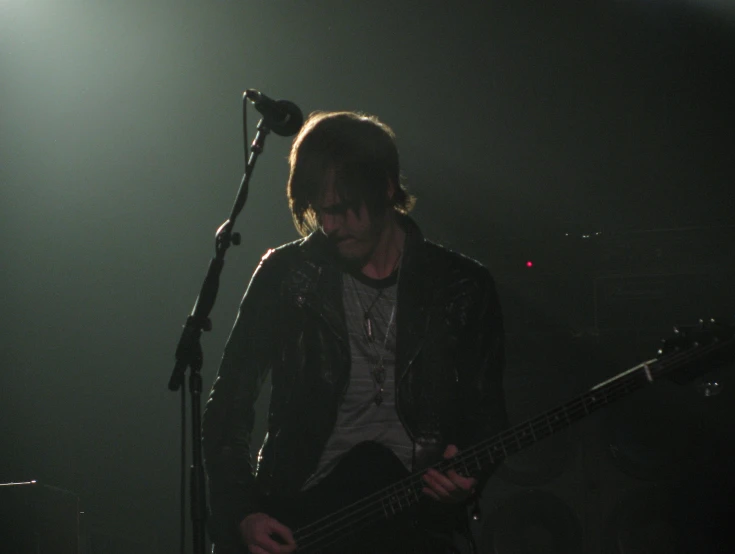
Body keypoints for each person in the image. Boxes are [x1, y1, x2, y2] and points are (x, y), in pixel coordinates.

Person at [202, 111, 508, 554]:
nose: (330, 226)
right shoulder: (287, 277)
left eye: (343, 208)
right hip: (301, 520)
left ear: (386, 188)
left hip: (415, 525)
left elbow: (488, 414)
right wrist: (242, 514)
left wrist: (468, 477)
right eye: (320, 211)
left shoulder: (461, 286)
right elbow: (229, 404)